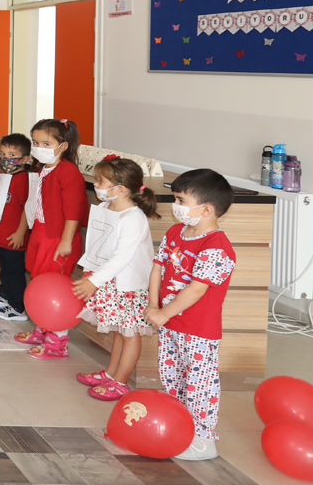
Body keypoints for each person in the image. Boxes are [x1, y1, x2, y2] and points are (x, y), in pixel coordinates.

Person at [147, 168, 236, 461]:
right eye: (176, 199)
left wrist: (163, 313)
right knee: (173, 378)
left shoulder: (217, 246)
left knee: (200, 384)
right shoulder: (176, 232)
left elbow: (197, 289)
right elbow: (158, 268)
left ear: (206, 209)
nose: (176, 206)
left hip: (198, 330)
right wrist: (153, 306)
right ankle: (180, 426)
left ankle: (203, 439)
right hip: (171, 323)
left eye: (181, 201)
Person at [75, 156, 160, 402]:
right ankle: (110, 374)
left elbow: (122, 257)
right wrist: (91, 270)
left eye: (101, 181)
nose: (96, 185)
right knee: (119, 331)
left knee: (130, 333)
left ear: (120, 189)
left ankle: (120, 382)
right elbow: (98, 244)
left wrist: (94, 281)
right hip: (109, 282)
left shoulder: (133, 218)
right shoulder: (105, 208)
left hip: (128, 285)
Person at [16, 118, 88, 360]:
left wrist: (66, 241)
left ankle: (57, 342)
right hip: (41, 232)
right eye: (36, 142)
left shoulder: (69, 172)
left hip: (58, 237)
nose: (39, 147)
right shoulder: (43, 169)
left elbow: (73, 212)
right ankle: (43, 328)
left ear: (63, 146)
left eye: (46, 143)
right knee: (40, 281)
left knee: (56, 286)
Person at [0, 134, 32, 321]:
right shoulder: (5, 177)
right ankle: (5, 295)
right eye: (2, 154)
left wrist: (20, 233)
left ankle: (17, 307)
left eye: (12, 154)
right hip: (2, 234)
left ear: (25, 159)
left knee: (14, 270)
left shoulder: (23, 179)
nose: (5, 158)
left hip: (14, 236)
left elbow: (27, 209)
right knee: (5, 266)